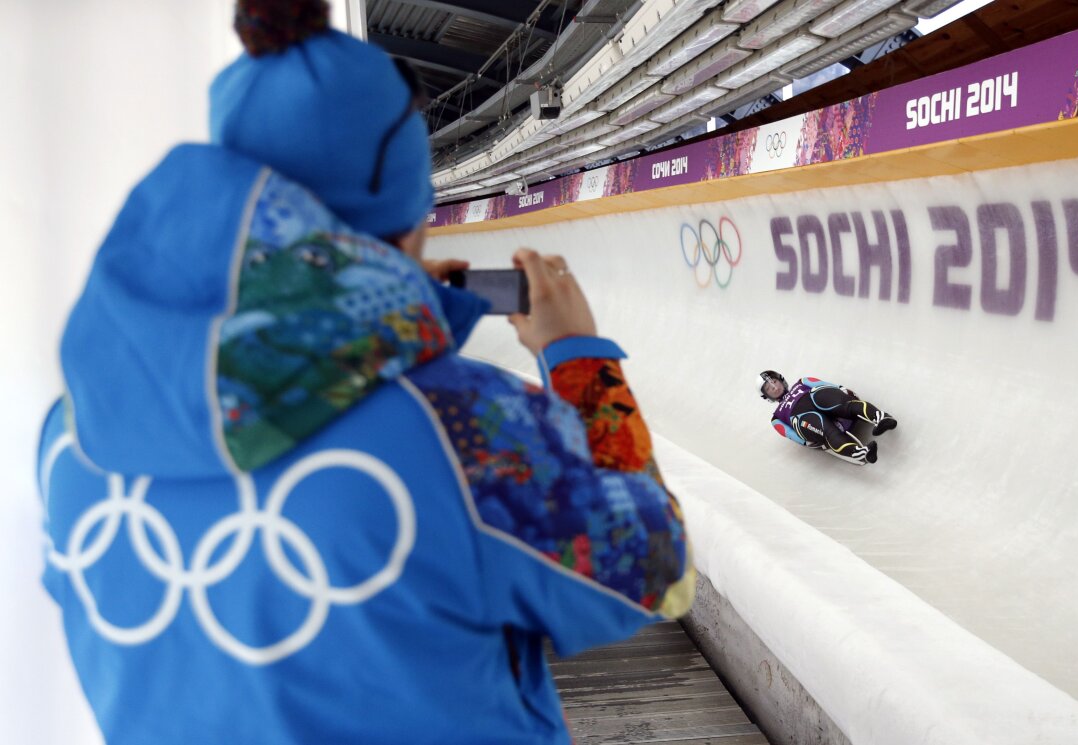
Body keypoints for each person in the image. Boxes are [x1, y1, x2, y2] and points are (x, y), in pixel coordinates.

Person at [36, 2, 693, 743]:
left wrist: (402, 326)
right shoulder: (466, 431)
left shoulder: (71, 429)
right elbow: (653, 566)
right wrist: (579, 359)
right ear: (405, 212)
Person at [758, 370, 897, 466]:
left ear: (781, 380)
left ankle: (882, 418)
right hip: (804, 418)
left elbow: (825, 385)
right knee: (826, 431)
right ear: (767, 396)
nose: (774, 388)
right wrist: (807, 442)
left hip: (818, 399)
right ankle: (861, 453)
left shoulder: (802, 382)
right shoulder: (776, 418)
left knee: (832, 400)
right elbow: (790, 433)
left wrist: (843, 390)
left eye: (774, 382)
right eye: (769, 389)